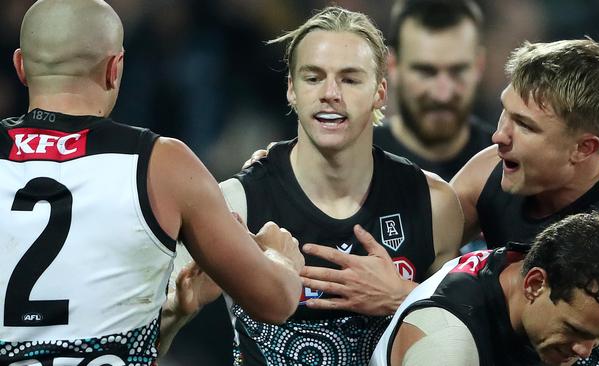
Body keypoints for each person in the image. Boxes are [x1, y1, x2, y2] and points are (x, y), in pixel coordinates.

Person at [0, 1, 304, 365]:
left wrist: (172, 317)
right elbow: (275, 300)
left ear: (20, 66)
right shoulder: (161, 164)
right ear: (115, 68)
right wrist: (278, 258)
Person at [163, 6, 464, 366]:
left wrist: (404, 297)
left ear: (380, 92)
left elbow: (465, 341)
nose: (330, 93)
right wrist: (177, 314)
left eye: (350, 79)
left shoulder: (433, 205)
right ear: (291, 89)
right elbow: (142, 345)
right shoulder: (235, 204)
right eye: (313, 77)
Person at [451, 38, 599, 364]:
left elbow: (541, 330)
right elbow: (416, 250)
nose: (499, 136)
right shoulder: (490, 171)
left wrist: (411, 298)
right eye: (506, 111)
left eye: (526, 126)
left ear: (583, 148)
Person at [369, 212, 599, 366]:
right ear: (535, 284)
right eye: (576, 330)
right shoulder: (447, 347)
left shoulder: (519, 266)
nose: (586, 351)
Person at [374, 0, 493, 182]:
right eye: (425, 72)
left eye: (458, 71)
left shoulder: (506, 162)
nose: (442, 95)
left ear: (479, 65)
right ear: (392, 66)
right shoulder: (356, 160)